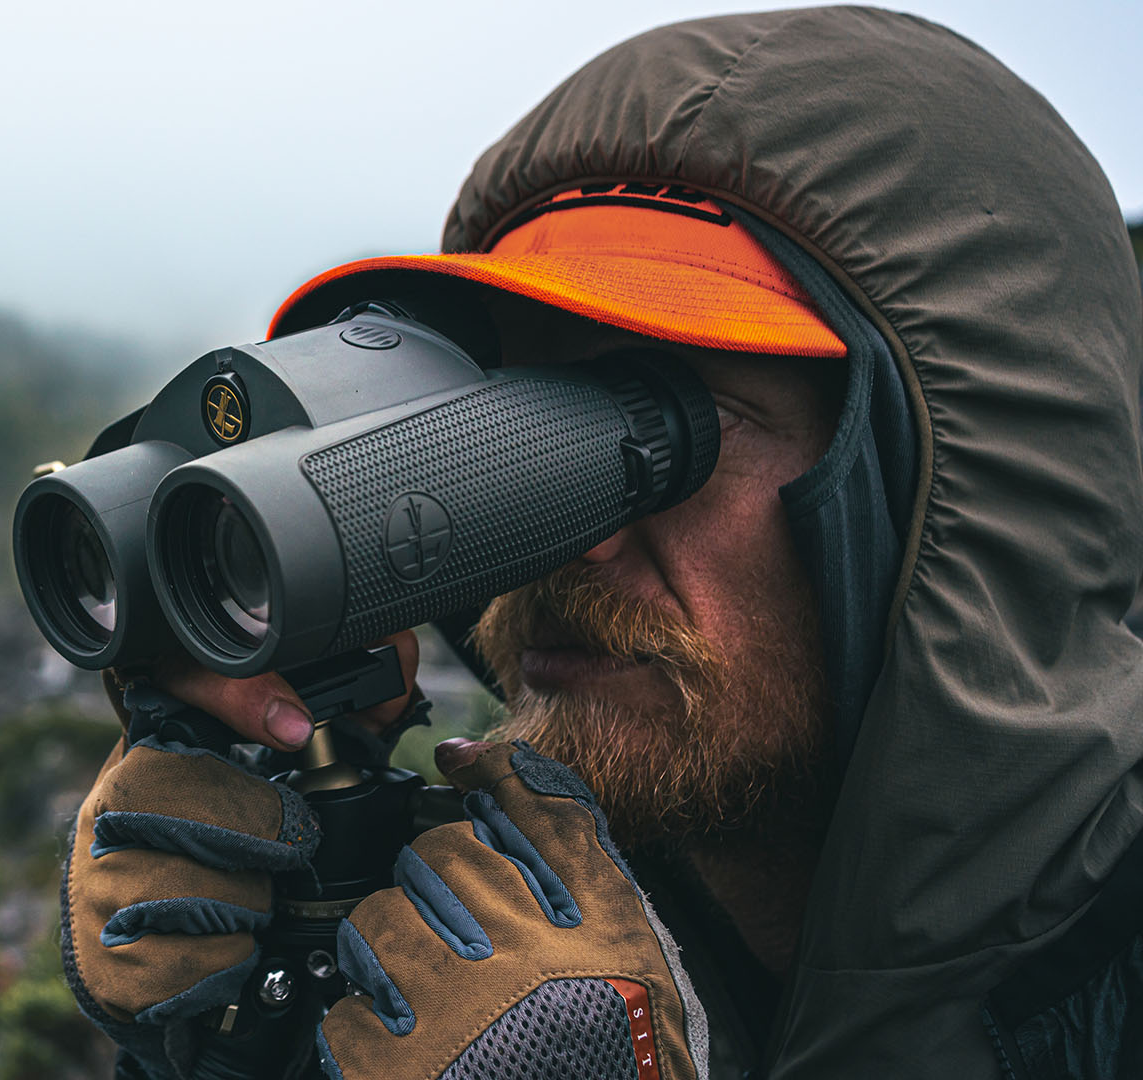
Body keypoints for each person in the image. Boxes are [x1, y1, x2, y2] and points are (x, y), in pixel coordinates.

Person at [58, 8, 1143, 1079]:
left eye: (663, 435)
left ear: (945, 497)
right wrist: (255, 1038)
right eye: (512, 437)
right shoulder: (519, 962)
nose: (571, 539)